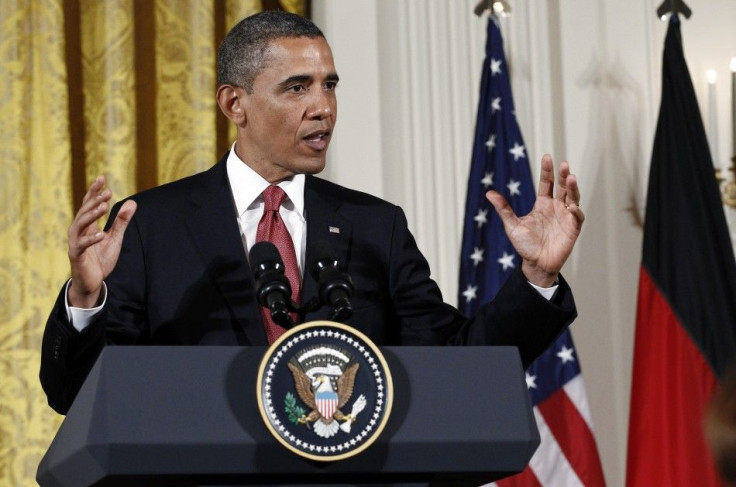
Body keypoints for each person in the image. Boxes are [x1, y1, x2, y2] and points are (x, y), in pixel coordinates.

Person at [40, 11, 584, 415]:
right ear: (235, 105)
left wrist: (537, 278)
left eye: (329, 85)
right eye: (297, 87)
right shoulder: (152, 227)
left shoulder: (377, 227)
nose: (323, 106)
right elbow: (76, 396)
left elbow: (456, 366)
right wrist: (86, 301)